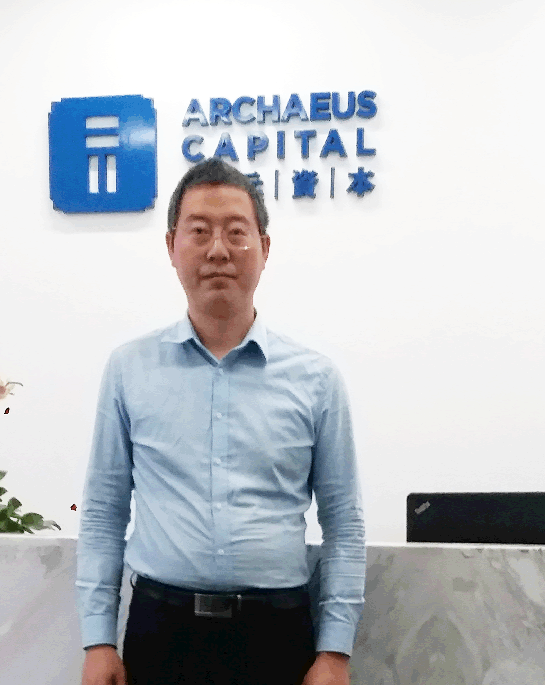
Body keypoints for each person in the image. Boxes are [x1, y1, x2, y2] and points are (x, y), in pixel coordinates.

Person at [77, 157, 366, 685]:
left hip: (277, 637)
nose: (217, 250)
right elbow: (103, 513)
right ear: (171, 247)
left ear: (264, 247)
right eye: (199, 232)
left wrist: (335, 652)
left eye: (236, 232)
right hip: (161, 633)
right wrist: (98, 640)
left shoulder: (317, 380)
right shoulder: (128, 369)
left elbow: (343, 523)